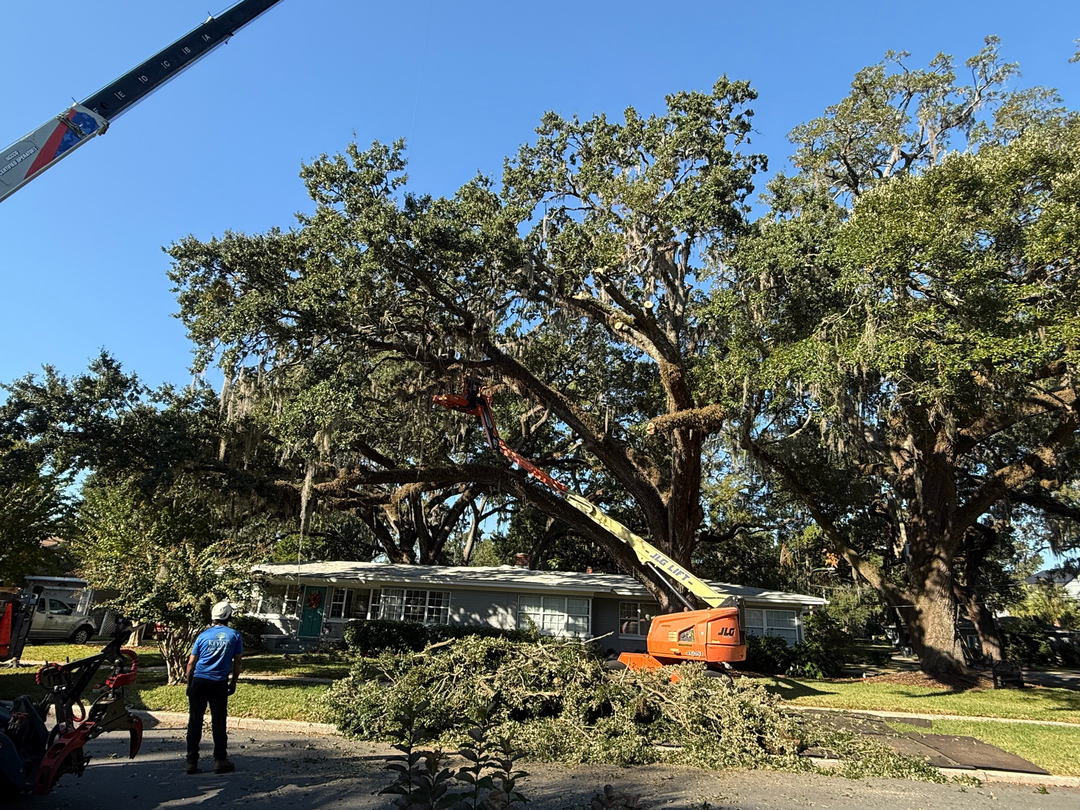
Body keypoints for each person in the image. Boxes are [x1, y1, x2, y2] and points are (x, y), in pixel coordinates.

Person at [185, 601, 243, 774]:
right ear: (228, 616)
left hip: (199, 681)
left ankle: (191, 762)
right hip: (218, 683)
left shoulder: (203, 636)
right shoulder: (234, 635)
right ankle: (220, 760)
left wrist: (189, 685)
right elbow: (238, 661)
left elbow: (191, 663)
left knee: (194, 721)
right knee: (218, 721)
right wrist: (233, 682)